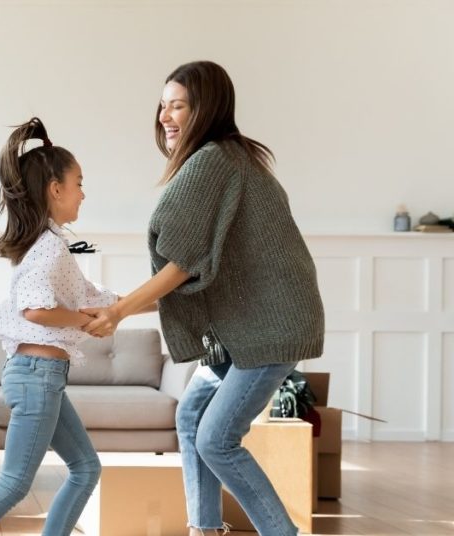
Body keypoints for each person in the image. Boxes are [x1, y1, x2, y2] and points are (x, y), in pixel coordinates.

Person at [82, 61, 325, 535]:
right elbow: (201, 271)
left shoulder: (213, 160)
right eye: (162, 106)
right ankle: (204, 528)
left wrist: (119, 311)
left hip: (269, 327)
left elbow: (184, 264)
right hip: (247, 327)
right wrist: (119, 303)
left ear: (206, 109)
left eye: (178, 106)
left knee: (217, 439)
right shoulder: (232, 158)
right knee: (192, 413)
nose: (164, 117)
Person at [0, 118, 141, 536]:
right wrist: (87, 321)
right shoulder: (50, 246)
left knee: (86, 468)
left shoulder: (49, 243)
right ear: (56, 189)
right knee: (14, 484)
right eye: (79, 183)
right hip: (37, 376)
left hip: (42, 376)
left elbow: (96, 297)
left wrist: (151, 300)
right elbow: (34, 310)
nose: (83, 193)